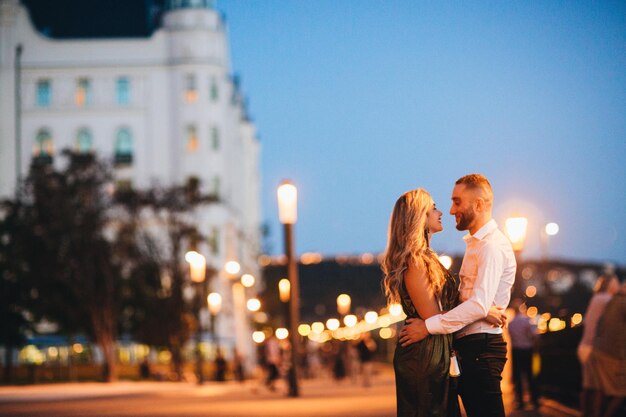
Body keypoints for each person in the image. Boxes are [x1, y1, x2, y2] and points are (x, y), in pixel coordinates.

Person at [398, 174, 515, 417]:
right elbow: (474, 302)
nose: (450, 210)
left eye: (457, 202)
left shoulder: (490, 246)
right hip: (462, 348)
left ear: (479, 204)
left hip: (479, 348)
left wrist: (429, 326)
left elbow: (477, 304)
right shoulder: (473, 245)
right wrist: (480, 309)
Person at [381, 188, 461, 417]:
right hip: (425, 357)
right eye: (433, 208)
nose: (440, 212)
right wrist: (478, 311)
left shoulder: (425, 257)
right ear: (419, 216)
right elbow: (433, 316)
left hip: (432, 351)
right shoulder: (415, 261)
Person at [578, 274, 620, 417]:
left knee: (589, 387)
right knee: (601, 389)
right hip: (594, 348)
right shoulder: (608, 299)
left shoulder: (596, 298)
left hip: (583, 347)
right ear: (610, 286)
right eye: (616, 283)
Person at [508, 300, 539, 409]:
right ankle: (534, 400)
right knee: (530, 375)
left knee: (518, 376)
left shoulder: (511, 323)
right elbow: (534, 335)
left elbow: (511, 337)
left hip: (516, 350)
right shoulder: (526, 320)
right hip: (527, 349)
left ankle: (520, 401)